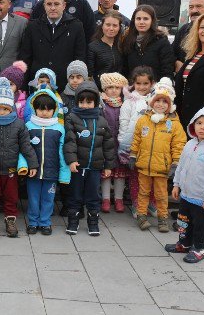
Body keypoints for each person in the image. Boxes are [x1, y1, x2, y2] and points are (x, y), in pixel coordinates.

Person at [0, 78, 39, 239]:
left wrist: (32, 164)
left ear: (11, 108)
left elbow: (26, 146)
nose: (1, 111)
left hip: (11, 170)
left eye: (5, 108)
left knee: (11, 197)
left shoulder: (18, 124)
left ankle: (11, 220)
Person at [167, 107, 204, 263]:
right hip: (186, 195)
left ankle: (199, 248)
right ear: (193, 124)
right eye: (199, 123)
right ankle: (184, 244)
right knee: (183, 222)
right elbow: (181, 167)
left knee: (200, 226)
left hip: (202, 199)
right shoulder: (189, 144)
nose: (202, 127)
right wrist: (176, 184)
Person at [130, 80, 186, 232]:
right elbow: (136, 139)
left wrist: (176, 163)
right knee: (143, 192)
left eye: (164, 102)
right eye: (157, 101)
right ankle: (141, 215)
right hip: (144, 166)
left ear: (170, 105)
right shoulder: (143, 120)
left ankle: (162, 218)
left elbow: (178, 145)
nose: (160, 104)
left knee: (161, 195)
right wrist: (133, 155)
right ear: (152, 102)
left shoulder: (174, 124)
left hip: (162, 167)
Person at [64, 81, 116, 236]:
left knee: (94, 195)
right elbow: (70, 141)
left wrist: (108, 165)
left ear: (95, 103)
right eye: (81, 101)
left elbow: (108, 144)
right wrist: (72, 160)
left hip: (95, 166)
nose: (85, 105)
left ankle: (93, 222)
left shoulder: (101, 120)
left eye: (89, 102)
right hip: (78, 165)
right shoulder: (72, 118)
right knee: (75, 195)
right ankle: (73, 220)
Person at [21, 88, 70, 235]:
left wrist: (64, 173)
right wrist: (24, 166)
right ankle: (33, 222)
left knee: (49, 198)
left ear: (54, 110)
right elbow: (24, 148)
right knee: (33, 198)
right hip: (33, 171)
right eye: (41, 109)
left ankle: (45, 222)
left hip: (51, 171)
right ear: (34, 109)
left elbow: (63, 151)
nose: (44, 112)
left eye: (48, 109)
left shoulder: (59, 128)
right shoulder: (28, 127)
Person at [20, 0, 87, 91]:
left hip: (66, 86)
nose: (52, 8)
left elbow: (80, 57)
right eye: (49, 4)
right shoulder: (32, 26)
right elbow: (25, 58)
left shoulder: (76, 26)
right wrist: (23, 87)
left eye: (56, 4)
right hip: (38, 85)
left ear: (64, 5)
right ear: (44, 6)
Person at [118, 67, 159, 219]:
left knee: (153, 175)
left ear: (152, 83)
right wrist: (123, 143)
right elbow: (124, 122)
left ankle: (152, 202)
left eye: (145, 83)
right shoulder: (129, 101)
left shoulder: (158, 99)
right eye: (138, 83)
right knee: (136, 176)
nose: (142, 87)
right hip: (134, 145)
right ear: (133, 83)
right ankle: (137, 203)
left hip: (153, 146)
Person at [99, 72, 130, 213]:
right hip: (106, 144)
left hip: (120, 144)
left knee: (120, 173)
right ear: (104, 89)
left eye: (117, 87)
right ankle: (105, 198)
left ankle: (118, 198)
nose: (113, 90)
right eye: (110, 87)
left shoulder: (126, 104)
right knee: (106, 172)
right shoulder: (101, 105)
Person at [120, 4, 174, 81]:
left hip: (156, 89)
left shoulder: (161, 41)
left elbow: (167, 70)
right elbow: (124, 69)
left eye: (145, 19)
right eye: (138, 19)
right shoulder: (128, 41)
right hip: (132, 89)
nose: (141, 22)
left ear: (152, 20)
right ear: (134, 20)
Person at [172, 0, 204, 71]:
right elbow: (171, 53)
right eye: (191, 7)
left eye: (199, 6)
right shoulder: (183, 30)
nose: (194, 10)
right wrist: (176, 62)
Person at [87, 10, 124, 89]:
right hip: (100, 92)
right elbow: (89, 75)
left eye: (115, 25)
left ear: (119, 27)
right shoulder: (93, 47)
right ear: (102, 25)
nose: (111, 28)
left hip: (118, 91)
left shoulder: (122, 46)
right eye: (108, 25)